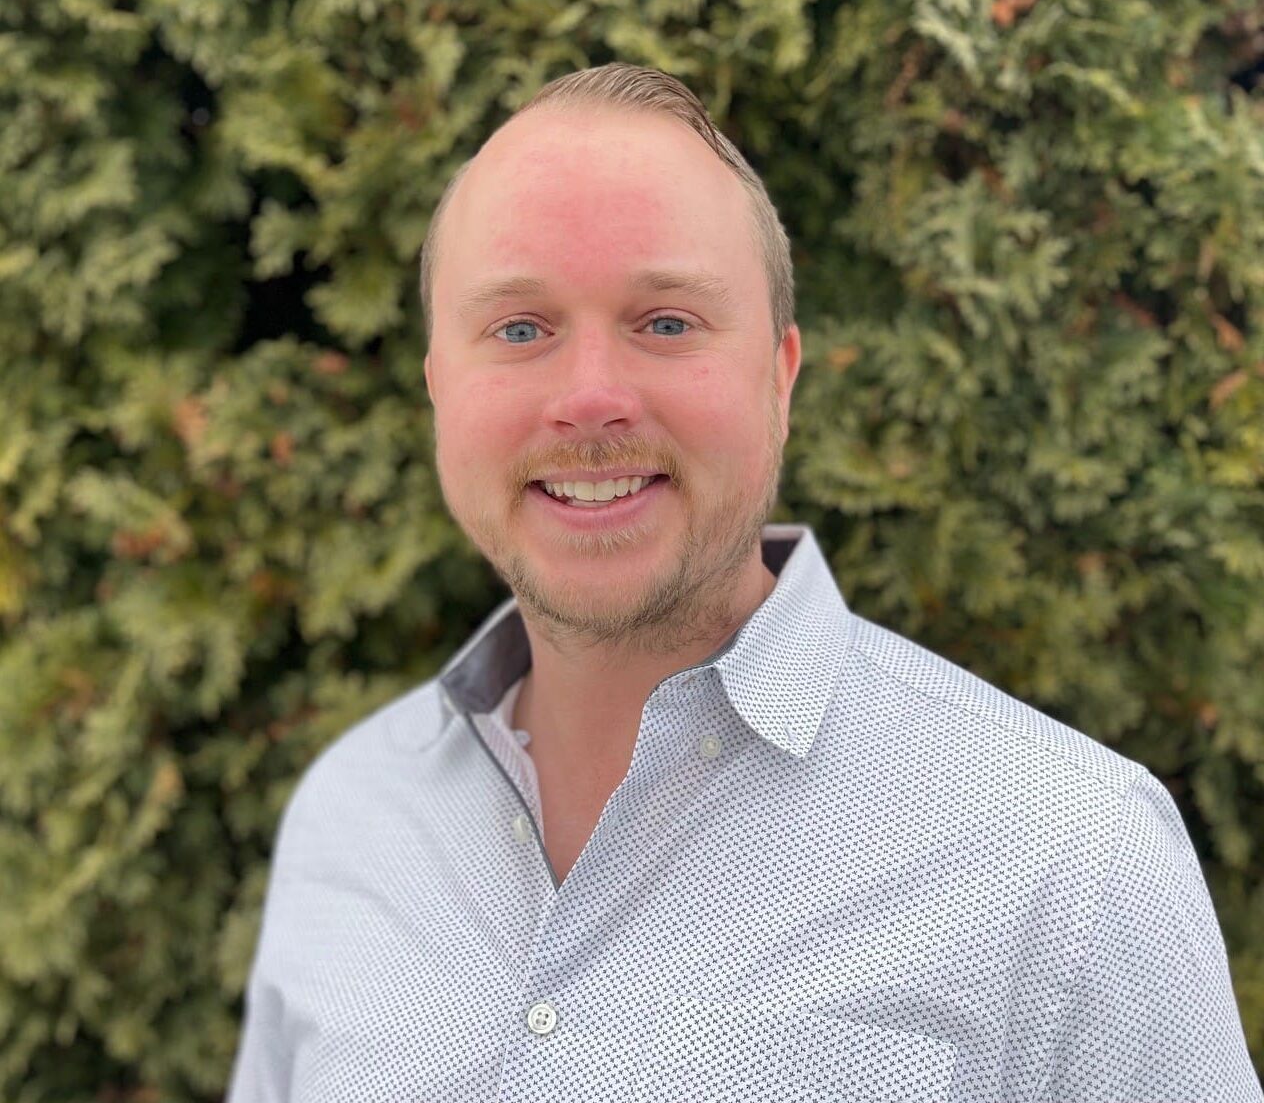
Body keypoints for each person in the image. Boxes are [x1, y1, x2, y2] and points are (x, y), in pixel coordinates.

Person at [226, 63, 1262, 1102]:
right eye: (520, 329)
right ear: (437, 387)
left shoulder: (1069, 862)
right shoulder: (350, 813)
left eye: (666, 321)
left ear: (780, 376)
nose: (590, 397)